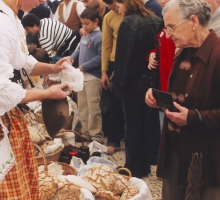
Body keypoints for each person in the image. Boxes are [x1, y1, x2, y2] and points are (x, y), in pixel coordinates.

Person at [145, 0, 220, 199]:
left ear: (193, 21)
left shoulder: (217, 55)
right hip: (175, 150)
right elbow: (181, 96)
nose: (168, 34)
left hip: (206, 159)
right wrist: (157, 96)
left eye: (172, 27)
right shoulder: (184, 52)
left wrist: (193, 117)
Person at [0, 0, 71, 199]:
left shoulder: (12, 16)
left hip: (10, 113)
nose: (42, 1)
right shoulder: (2, 23)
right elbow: (1, 88)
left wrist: (54, 68)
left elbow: (23, 61)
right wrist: (48, 93)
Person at [114, 0, 161, 178]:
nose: (118, 8)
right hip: (151, 80)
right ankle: (146, 163)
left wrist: (119, 85)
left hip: (132, 82)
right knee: (147, 124)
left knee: (133, 126)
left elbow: (122, 58)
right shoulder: (155, 19)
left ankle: (133, 166)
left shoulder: (128, 22)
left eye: (119, 4)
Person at [69, 7, 104, 144]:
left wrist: (85, 66)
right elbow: (78, 49)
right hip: (82, 77)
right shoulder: (85, 34)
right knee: (82, 106)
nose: (84, 26)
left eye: (87, 23)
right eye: (82, 23)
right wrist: (71, 58)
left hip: (93, 77)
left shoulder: (99, 37)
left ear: (96, 21)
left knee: (93, 108)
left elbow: (101, 57)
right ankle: (85, 133)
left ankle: (96, 136)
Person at [101, 0, 124, 154]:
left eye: (112, 2)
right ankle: (114, 140)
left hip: (134, 62)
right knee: (115, 103)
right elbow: (106, 45)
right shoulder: (109, 17)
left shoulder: (132, 14)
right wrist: (104, 71)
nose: (110, 6)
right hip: (115, 63)